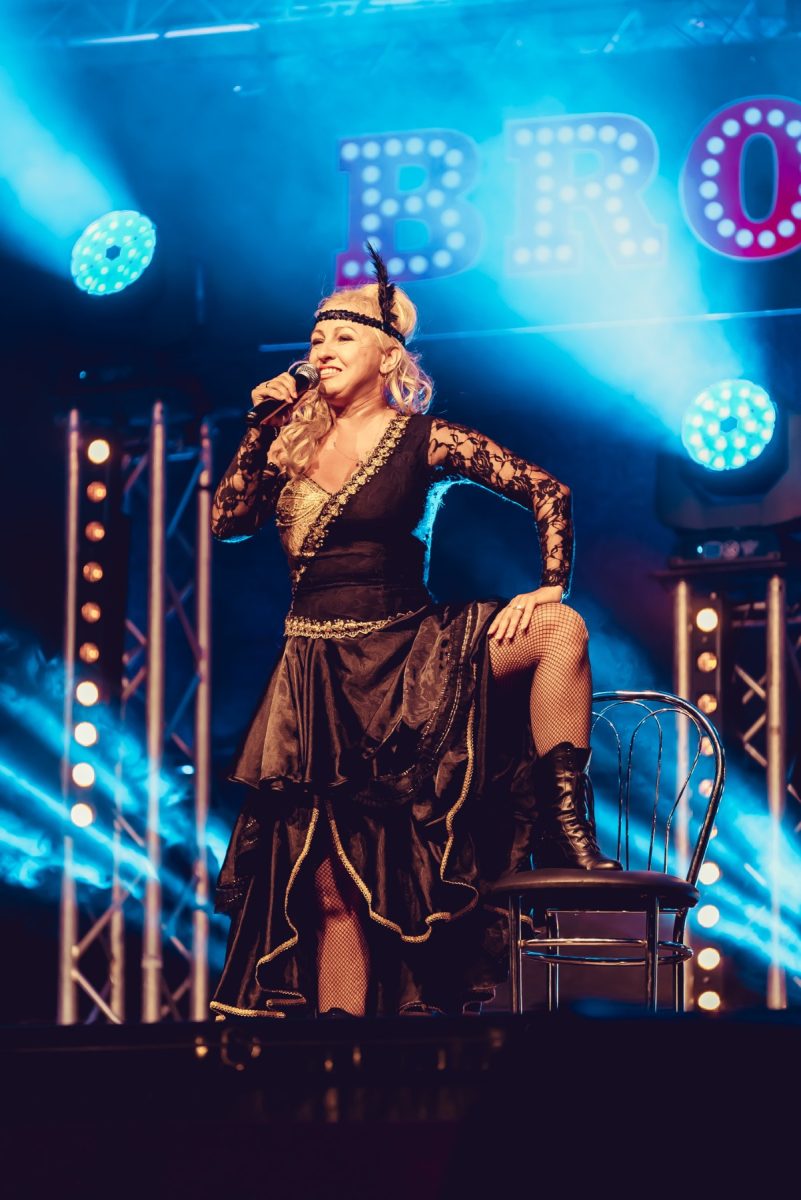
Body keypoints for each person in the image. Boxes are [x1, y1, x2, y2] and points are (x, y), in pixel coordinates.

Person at [209, 250, 620, 1020]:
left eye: (342, 337)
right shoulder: (287, 442)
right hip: (317, 676)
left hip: (413, 661)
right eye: (316, 338)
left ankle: (568, 829)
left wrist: (548, 584)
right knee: (330, 889)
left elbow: (547, 491)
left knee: (559, 629)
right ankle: (339, 1061)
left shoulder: (425, 440)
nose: (323, 349)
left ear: (387, 355)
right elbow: (227, 522)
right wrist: (260, 425)